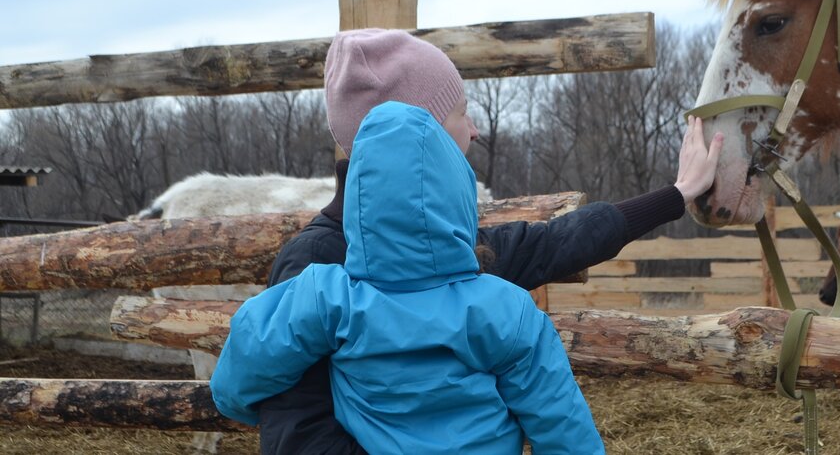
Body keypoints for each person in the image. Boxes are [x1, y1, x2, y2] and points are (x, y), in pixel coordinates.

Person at [256, 28, 724, 454]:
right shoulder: (316, 261)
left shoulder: (447, 250)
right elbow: (296, 433)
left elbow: (554, 244)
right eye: (461, 111)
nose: (475, 129)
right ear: (423, 136)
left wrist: (676, 195)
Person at [210, 101, 605, 453]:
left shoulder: (324, 298)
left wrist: (238, 408)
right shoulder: (505, 309)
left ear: (359, 203)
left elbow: (238, 374)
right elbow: (562, 424)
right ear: (459, 196)